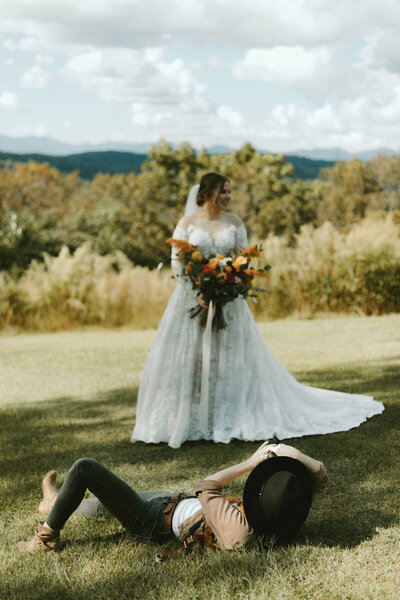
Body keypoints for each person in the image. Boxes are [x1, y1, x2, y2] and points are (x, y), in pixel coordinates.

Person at [130, 172, 384, 448]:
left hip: (229, 303)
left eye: (229, 191)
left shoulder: (234, 222)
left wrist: (229, 284)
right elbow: (178, 264)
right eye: (223, 191)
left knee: (230, 357)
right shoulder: (187, 223)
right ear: (206, 193)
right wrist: (199, 292)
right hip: (192, 301)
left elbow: (243, 262)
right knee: (192, 358)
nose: (228, 197)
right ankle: (189, 419)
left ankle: (227, 416)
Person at [17, 441, 327, 554]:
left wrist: (251, 462)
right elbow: (319, 476)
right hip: (173, 503)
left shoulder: (240, 532)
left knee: (85, 469)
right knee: (102, 503)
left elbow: (207, 487)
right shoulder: (287, 511)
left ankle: (46, 538)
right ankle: (53, 504)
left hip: (151, 520)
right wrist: (286, 452)